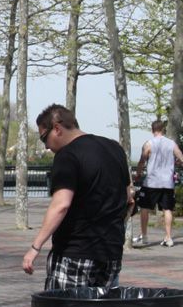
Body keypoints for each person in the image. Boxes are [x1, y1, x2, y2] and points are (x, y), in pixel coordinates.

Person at [22, 104, 131, 290]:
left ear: (57, 128)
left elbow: (61, 205)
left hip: (74, 253)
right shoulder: (115, 148)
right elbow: (129, 198)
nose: (46, 146)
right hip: (111, 254)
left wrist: (35, 247)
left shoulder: (67, 155)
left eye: (44, 138)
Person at [133, 119, 183, 248]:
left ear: (152, 130)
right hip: (167, 182)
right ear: (163, 130)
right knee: (167, 209)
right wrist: (177, 162)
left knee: (144, 208)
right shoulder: (172, 144)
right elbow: (181, 158)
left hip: (152, 182)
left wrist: (138, 174)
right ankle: (168, 238)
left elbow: (142, 161)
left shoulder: (149, 144)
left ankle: (144, 236)